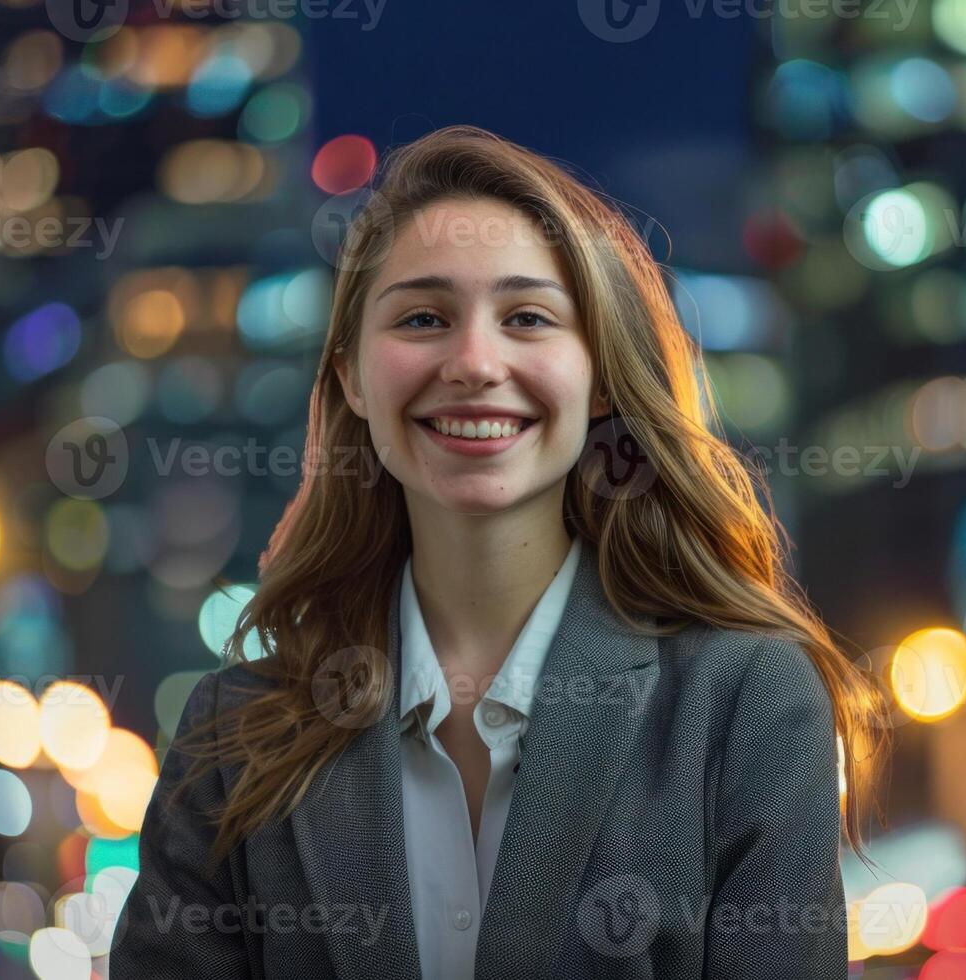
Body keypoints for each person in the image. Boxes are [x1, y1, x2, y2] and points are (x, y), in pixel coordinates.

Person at [109, 124, 888, 979]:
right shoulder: (234, 729)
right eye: (421, 317)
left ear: (600, 376)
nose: (474, 362)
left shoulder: (745, 704)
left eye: (526, 317)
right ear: (350, 380)